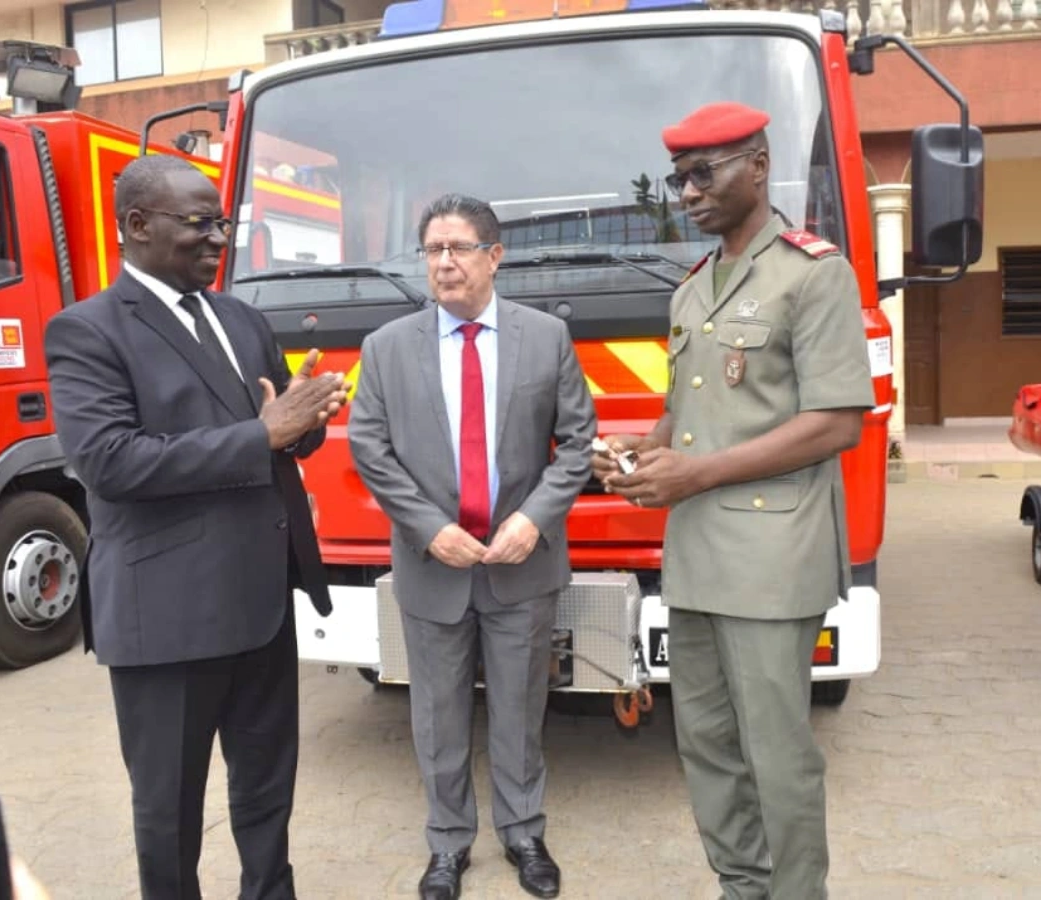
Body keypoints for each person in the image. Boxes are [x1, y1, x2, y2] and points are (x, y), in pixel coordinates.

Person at [44, 154, 348, 900]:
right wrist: (267, 432)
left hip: (260, 602)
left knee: (268, 792)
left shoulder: (241, 318)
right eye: (199, 223)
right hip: (168, 617)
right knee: (169, 810)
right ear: (138, 226)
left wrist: (305, 418)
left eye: (223, 223)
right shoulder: (86, 332)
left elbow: (277, 432)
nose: (218, 238)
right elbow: (112, 462)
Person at [592, 102, 873, 900]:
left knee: (776, 752)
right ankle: (741, 886)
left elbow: (835, 425)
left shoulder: (814, 272)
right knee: (707, 741)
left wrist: (696, 474)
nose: (687, 191)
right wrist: (639, 456)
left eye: (703, 172)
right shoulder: (693, 289)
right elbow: (688, 416)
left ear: (757, 165)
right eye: (679, 177)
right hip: (698, 553)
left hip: (773, 556)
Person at [347, 194, 595, 900]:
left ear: (494, 256)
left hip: (523, 564)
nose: (445, 263)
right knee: (437, 715)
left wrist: (535, 518)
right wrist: (431, 528)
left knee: (520, 709)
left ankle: (524, 833)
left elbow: (578, 441)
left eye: (458, 248)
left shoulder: (545, 338)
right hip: (435, 567)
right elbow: (370, 447)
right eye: (433, 251)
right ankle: (448, 845)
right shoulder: (386, 348)